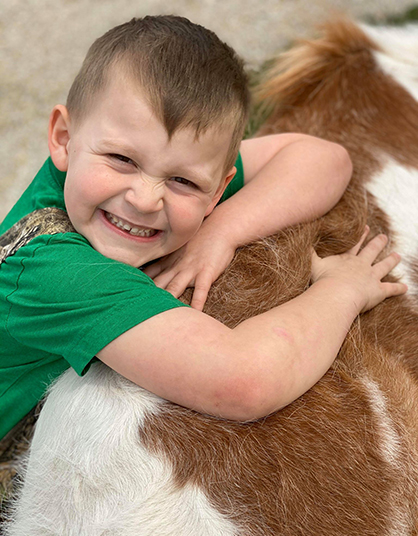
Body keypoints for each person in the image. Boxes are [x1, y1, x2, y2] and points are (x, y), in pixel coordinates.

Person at [0, 15, 406, 440]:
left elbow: (323, 158)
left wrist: (222, 230)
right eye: (123, 160)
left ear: (217, 189)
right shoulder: (56, 273)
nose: (145, 199)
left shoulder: (120, 155)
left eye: (183, 182)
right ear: (63, 138)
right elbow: (243, 382)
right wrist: (341, 291)